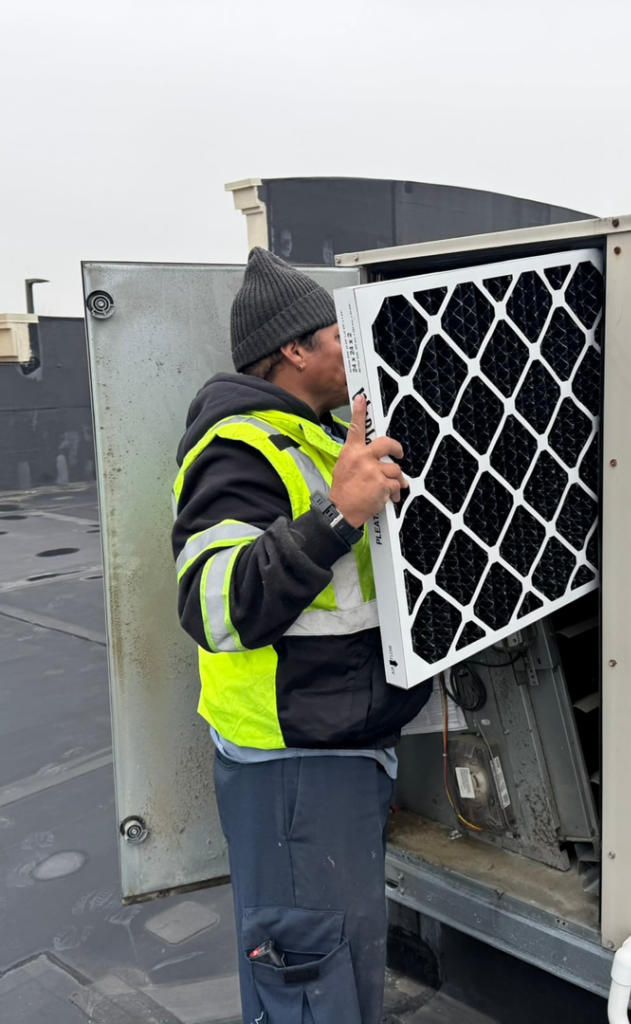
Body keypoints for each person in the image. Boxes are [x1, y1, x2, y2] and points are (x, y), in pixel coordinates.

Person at [171, 248, 432, 1024]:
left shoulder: (312, 435)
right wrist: (335, 515)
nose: (355, 352)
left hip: (333, 754)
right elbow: (213, 603)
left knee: (331, 968)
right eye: (338, 336)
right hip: (292, 771)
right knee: (315, 983)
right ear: (294, 348)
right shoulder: (238, 449)